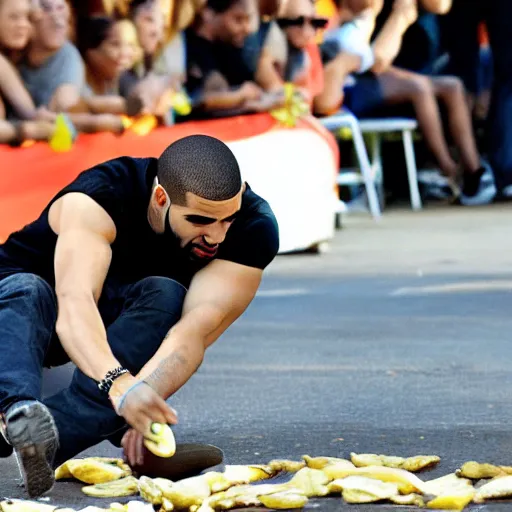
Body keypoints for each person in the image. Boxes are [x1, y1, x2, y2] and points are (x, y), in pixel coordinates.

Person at [0, 134, 280, 498]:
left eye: (228, 219)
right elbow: (75, 304)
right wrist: (119, 385)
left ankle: (48, 436)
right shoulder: (101, 196)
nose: (216, 236)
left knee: (167, 295)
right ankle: (16, 412)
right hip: (19, 313)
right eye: (200, 220)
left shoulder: (253, 228)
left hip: (100, 326)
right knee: (29, 288)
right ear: (161, 198)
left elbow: (193, 332)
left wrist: (142, 399)